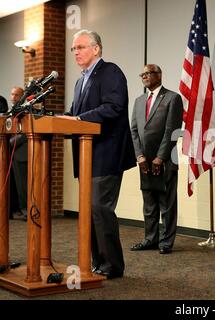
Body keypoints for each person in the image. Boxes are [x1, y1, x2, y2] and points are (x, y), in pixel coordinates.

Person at [58, 29, 136, 279]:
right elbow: (75, 112)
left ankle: (113, 265)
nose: (76, 52)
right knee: (89, 210)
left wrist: (78, 119)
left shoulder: (110, 72)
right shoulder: (81, 80)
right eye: (74, 48)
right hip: (86, 156)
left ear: (96, 49)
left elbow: (114, 107)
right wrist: (63, 119)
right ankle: (97, 262)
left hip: (106, 153)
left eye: (80, 47)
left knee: (100, 209)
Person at [130, 64, 183, 254]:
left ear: (159, 75)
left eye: (148, 73)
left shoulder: (172, 98)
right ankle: (150, 238)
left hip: (166, 159)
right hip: (144, 161)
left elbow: (172, 131)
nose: (144, 76)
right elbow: (134, 130)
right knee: (149, 203)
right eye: (142, 74)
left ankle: (166, 241)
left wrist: (160, 157)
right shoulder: (138, 101)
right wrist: (139, 156)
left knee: (166, 203)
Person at [9, 87, 28, 221]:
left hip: (23, 153)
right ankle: (19, 209)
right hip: (12, 154)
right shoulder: (11, 110)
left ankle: (27, 211)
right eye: (12, 94)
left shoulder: (26, 110)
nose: (13, 97)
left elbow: (25, 133)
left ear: (22, 96)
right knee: (17, 186)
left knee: (25, 185)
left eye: (16, 95)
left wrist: (8, 142)